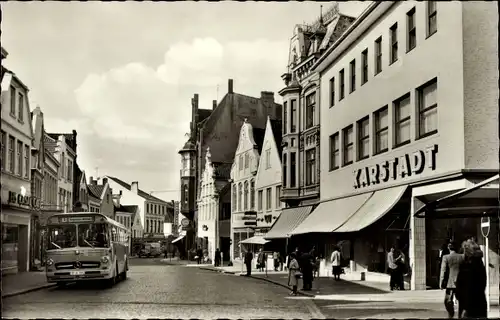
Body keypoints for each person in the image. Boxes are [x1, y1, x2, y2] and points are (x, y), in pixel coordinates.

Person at [455, 240, 487, 319]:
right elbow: (482, 285)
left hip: (467, 307)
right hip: (481, 303)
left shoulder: (466, 267)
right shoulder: (481, 265)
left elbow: (462, 289)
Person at [440, 242, 464, 318]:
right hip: (460, 282)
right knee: (461, 300)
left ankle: (451, 314)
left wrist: (441, 282)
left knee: (447, 300)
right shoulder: (462, 257)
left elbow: (443, 270)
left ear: (448, 248)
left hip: (450, 283)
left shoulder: (446, 257)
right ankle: (461, 315)